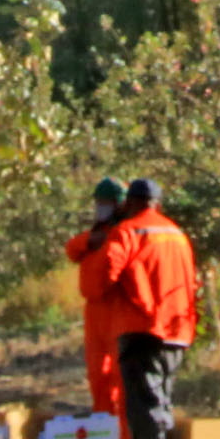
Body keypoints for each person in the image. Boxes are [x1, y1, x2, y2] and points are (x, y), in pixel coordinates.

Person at [101, 177, 197, 439]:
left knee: (145, 407)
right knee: (162, 402)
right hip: (177, 329)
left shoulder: (127, 231)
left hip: (143, 329)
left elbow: (107, 273)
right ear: (157, 203)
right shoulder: (178, 235)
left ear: (130, 202)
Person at [65, 178, 125, 417]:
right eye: (99, 202)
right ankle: (102, 426)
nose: (101, 207)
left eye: (106, 202)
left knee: (119, 375)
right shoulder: (95, 233)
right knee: (97, 373)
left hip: (118, 307)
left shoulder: (123, 232)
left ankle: (124, 433)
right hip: (94, 309)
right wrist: (89, 241)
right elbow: (71, 249)